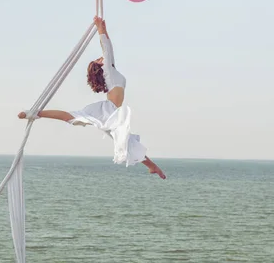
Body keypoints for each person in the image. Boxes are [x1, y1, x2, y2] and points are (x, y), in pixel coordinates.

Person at [18, 16, 166, 179]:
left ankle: (153, 167)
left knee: (125, 141)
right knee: (122, 139)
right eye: (99, 59)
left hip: (110, 111)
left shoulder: (111, 71)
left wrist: (104, 29)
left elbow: (109, 51)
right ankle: (34, 113)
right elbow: (107, 49)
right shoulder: (108, 71)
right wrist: (100, 30)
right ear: (101, 67)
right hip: (110, 111)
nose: (102, 57)